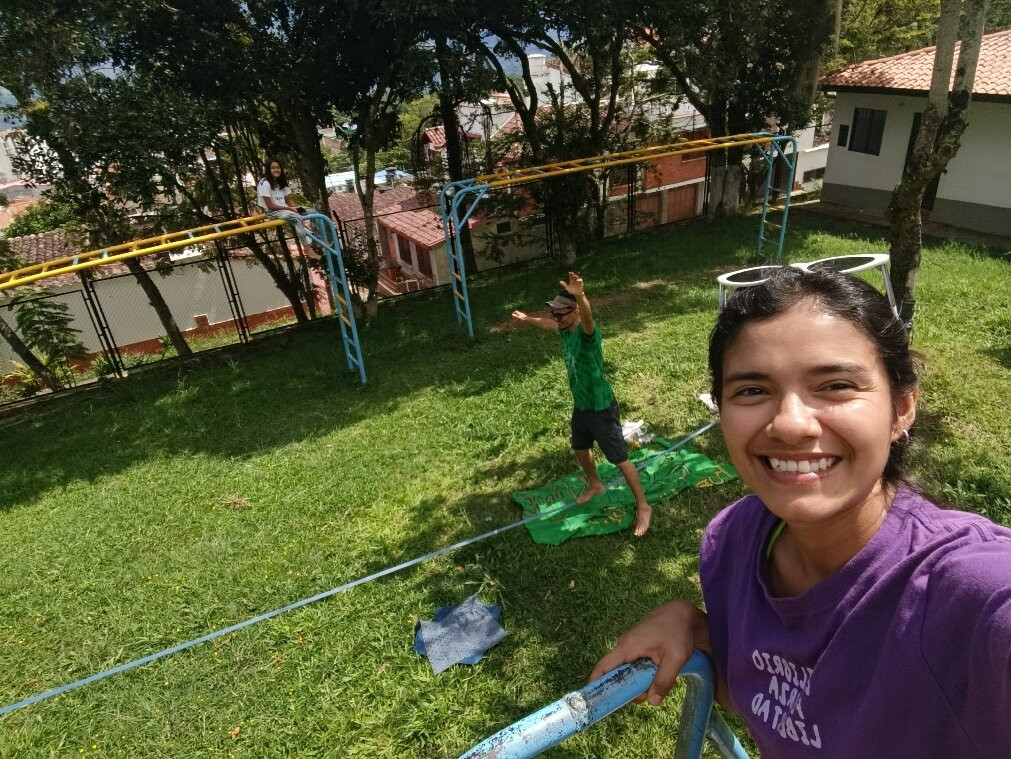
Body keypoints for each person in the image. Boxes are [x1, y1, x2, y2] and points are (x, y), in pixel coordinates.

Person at [590, 266, 1011, 757]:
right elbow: (780, 710)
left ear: (902, 409)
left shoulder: (971, 596)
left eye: (835, 385)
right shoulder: (735, 541)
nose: (790, 425)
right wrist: (696, 627)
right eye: (751, 390)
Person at [512, 271, 653, 537]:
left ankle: (643, 505)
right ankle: (596, 485)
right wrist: (527, 319)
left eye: (560, 314)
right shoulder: (564, 331)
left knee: (619, 459)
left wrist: (582, 296)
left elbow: (588, 318)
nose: (556, 318)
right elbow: (546, 324)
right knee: (579, 448)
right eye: (555, 314)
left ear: (574, 313)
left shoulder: (587, 335)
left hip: (601, 407)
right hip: (582, 406)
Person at [256, 158, 314, 248]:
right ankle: (306, 246)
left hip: (285, 209)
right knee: (296, 217)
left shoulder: (281, 181)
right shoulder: (264, 183)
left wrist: (297, 208)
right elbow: (270, 206)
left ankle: (318, 237)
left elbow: (288, 200)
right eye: (273, 168)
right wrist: (290, 209)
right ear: (268, 170)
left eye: (278, 167)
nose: (276, 170)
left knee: (313, 211)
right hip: (273, 212)